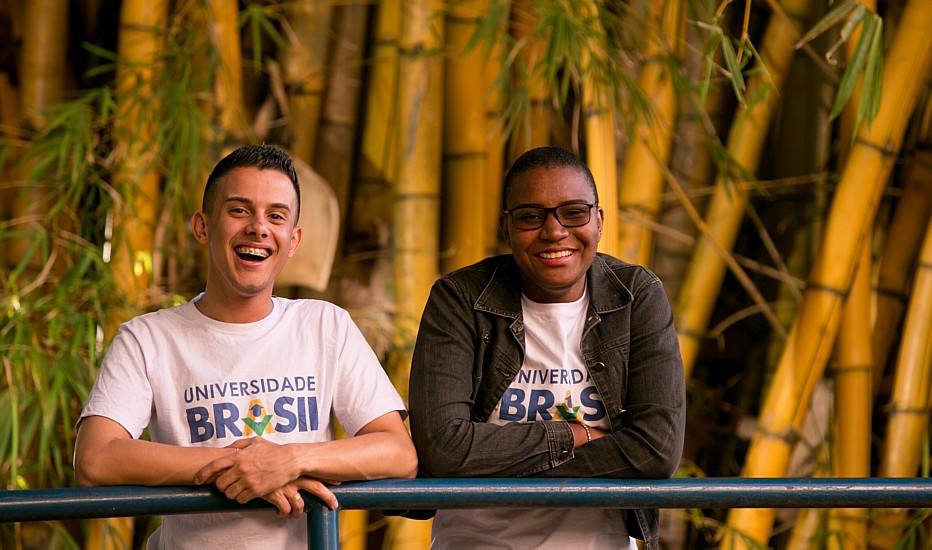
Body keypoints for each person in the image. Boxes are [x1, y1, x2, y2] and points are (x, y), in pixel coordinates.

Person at [74, 144, 417, 549]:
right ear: (202, 226)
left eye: (276, 216)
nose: (259, 227)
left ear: (293, 240)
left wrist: (290, 460)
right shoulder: (148, 338)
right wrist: (244, 467)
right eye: (239, 210)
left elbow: (399, 453)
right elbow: (96, 459)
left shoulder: (325, 326)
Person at [409, 146, 685, 549]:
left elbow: (656, 450)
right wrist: (577, 435)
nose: (554, 231)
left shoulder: (635, 296)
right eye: (530, 216)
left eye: (574, 212)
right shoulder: (461, 299)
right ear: (505, 228)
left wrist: (490, 462)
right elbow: (444, 449)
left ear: (599, 220)